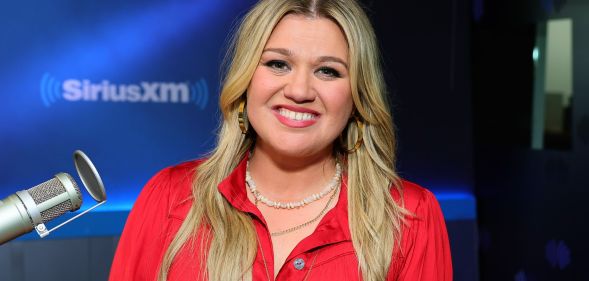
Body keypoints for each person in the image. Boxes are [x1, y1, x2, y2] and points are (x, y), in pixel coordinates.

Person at [109, 0, 452, 280]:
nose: (299, 91)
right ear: (245, 80)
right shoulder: (170, 198)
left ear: (357, 97)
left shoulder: (410, 216)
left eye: (328, 71)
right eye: (278, 64)